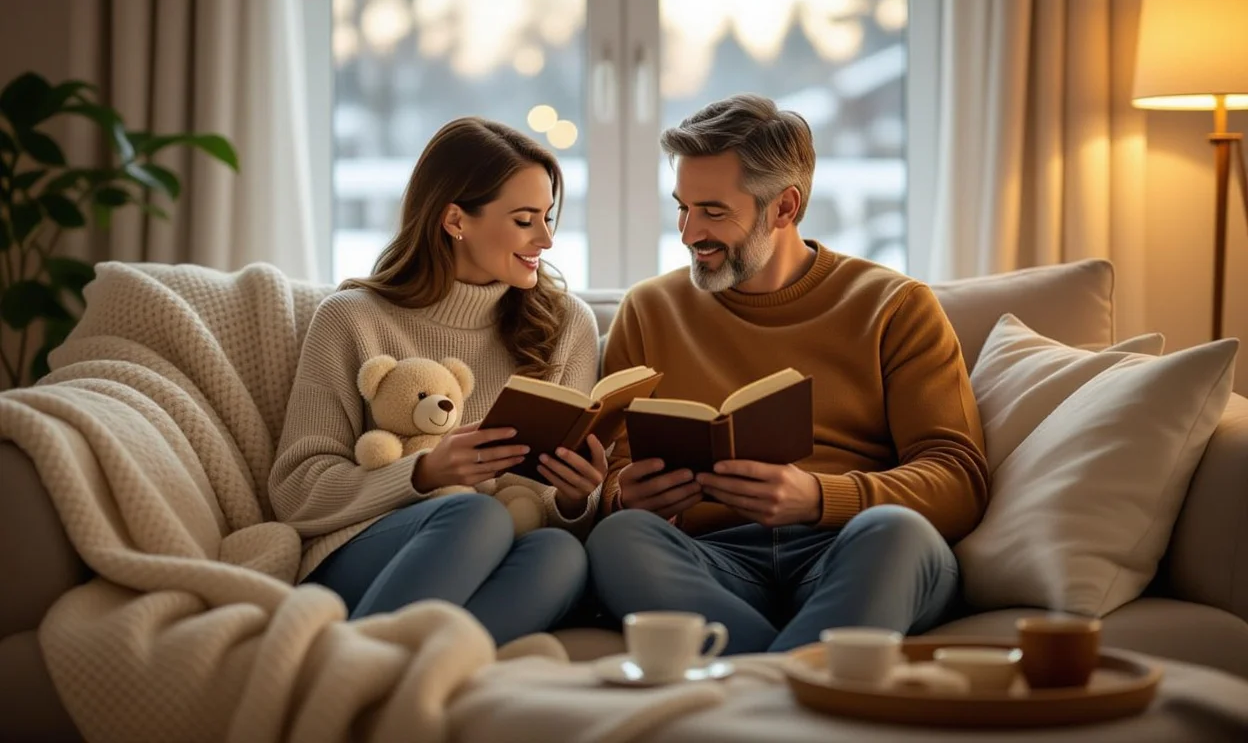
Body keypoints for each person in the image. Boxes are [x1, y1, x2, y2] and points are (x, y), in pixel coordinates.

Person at [585, 94, 989, 654]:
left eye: (713, 211)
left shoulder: (895, 306)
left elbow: (959, 479)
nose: (687, 233)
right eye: (682, 207)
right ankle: (797, 683)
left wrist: (820, 497)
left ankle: (752, 689)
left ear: (784, 207)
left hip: (849, 550)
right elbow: (616, 470)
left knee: (896, 535)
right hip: (713, 560)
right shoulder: (650, 309)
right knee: (621, 538)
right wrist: (625, 496)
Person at [271, 117, 609, 646]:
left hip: (501, 547)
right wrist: (424, 472)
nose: (546, 238)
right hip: (366, 551)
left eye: (547, 217)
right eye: (525, 220)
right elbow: (296, 490)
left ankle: (401, 685)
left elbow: (545, 509)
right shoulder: (352, 319)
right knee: (476, 516)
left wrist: (573, 499)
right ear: (456, 219)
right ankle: (359, 670)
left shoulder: (568, 326)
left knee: (560, 554)